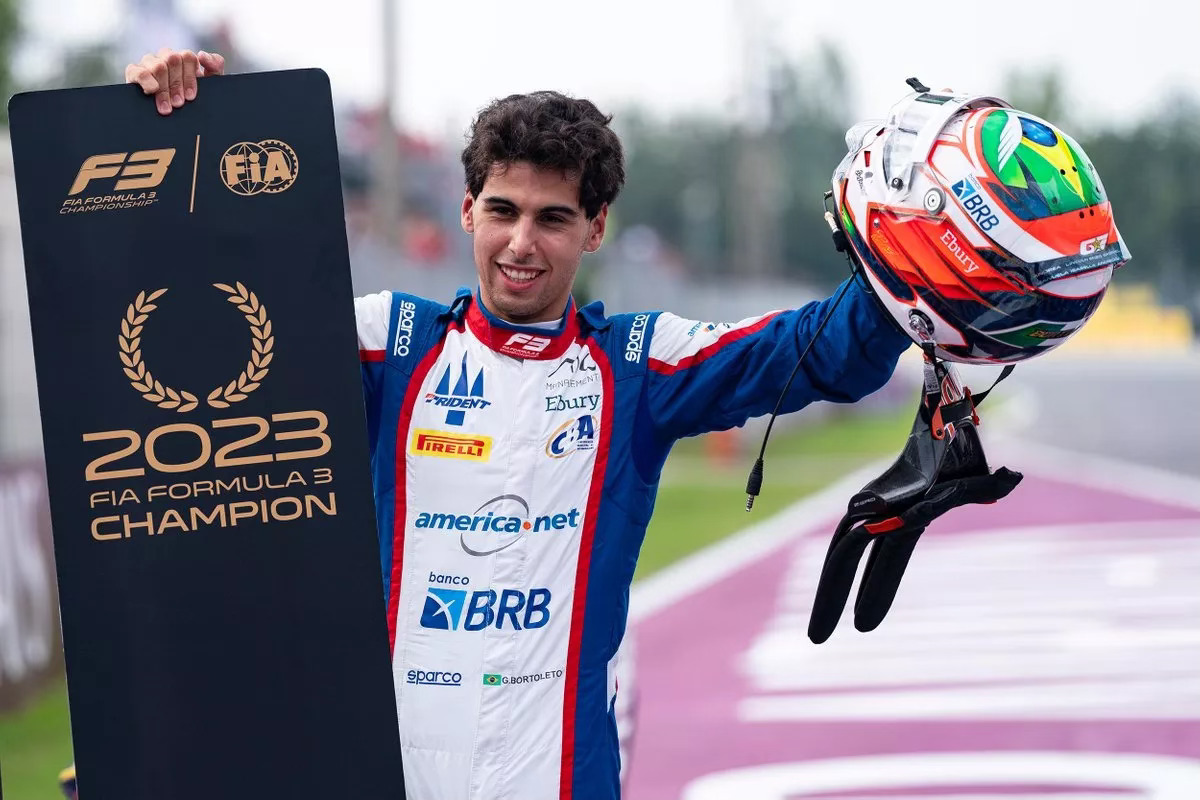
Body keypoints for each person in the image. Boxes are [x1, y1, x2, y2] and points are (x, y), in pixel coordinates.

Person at [123, 52, 1125, 800]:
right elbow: (196, 338)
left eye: (553, 217)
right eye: (502, 210)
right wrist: (172, 130)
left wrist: (932, 239)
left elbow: (816, 349)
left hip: (559, 772)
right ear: (466, 208)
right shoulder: (384, 343)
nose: (521, 242)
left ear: (595, 228)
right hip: (373, 766)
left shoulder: (639, 364)